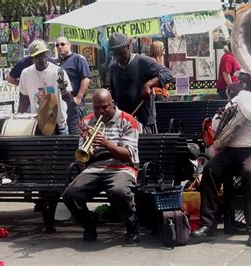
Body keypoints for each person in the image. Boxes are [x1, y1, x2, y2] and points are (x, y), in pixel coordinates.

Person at [193, 72, 251, 247]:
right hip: (234, 149)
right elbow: (217, 128)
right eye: (243, 79)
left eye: (248, 79)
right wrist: (221, 116)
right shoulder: (239, 100)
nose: (244, 82)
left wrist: (241, 95)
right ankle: (208, 224)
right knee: (211, 169)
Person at [63, 89, 141, 245]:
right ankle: (89, 223)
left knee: (119, 191)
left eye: (105, 107)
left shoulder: (128, 120)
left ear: (112, 103)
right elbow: (85, 158)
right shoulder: (86, 121)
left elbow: (128, 155)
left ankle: (132, 227)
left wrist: (106, 144)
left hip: (122, 167)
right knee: (70, 195)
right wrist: (87, 143)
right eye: (97, 108)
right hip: (95, 168)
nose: (101, 112)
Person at [108, 32, 172, 133]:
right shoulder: (113, 67)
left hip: (144, 121)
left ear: (128, 46)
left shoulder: (142, 61)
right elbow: (114, 94)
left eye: (121, 53)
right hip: (124, 122)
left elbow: (167, 74)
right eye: (114, 54)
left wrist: (148, 84)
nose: (118, 57)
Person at [18, 39, 72, 135]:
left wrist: (64, 91)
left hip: (58, 126)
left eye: (45, 56)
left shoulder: (58, 71)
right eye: (39, 58)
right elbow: (24, 100)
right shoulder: (26, 74)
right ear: (32, 59)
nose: (43, 60)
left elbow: (69, 99)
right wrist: (18, 118)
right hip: (37, 125)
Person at [56, 36, 91, 135]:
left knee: (75, 136)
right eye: (57, 45)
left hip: (74, 106)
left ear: (69, 45)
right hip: (63, 107)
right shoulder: (60, 63)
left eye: (62, 44)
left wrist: (78, 98)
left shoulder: (78, 58)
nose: (60, 47)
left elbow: (86, 78)